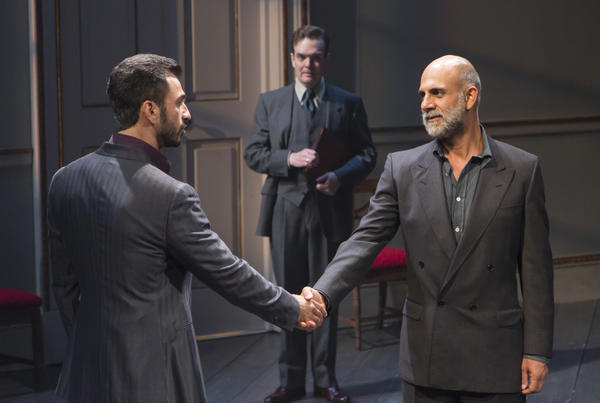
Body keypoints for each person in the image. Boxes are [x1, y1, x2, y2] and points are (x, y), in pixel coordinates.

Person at [48, 53, 327, 403]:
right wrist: (292, 306)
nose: (188, 114)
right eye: (179, 103)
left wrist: (86, 345)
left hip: (82, 373)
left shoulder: (63, 181)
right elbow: (227, 273)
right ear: (150, 110)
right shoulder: (170, 195)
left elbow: (63, 286)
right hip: (155, 375)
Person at [306, 55, 554, 402]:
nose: (426, 104)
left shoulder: (521, 170)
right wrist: (322, 293)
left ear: (469, 97)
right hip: (427, 356)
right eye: (422, 95)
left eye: (437, 93)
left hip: (496, 355)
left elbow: (536, 271)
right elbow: (364, 240)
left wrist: (537, 351)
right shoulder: (403, 168)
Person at [244, 25, 376, 403]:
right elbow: (253, 153)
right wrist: (287, 157)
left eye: (316, 57)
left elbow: (367, 154)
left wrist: (340, 176)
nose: (308, 64)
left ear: (325, 60)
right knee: (286, 297)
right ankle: (290, 382)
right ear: (291, 59)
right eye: (301, 56)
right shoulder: (270, 102)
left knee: (324, 297)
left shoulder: (347, 103)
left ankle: (325, 381)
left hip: (329, 213)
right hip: (285, 211)